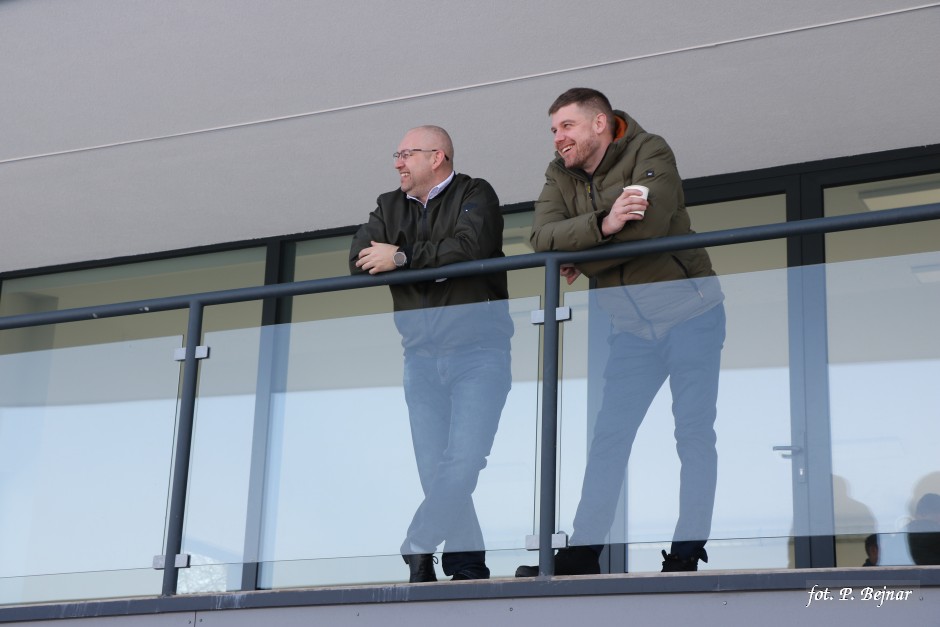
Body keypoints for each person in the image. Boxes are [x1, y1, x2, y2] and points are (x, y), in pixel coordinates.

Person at [519, 88, 725, 575]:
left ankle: (686, 551)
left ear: (599, 123)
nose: (558, 138)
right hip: (631, 329)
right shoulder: (559, 173)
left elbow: (648, 229)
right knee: (609, 438)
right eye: (553, 130)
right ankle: (583, 552)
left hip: (692, 315)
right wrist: (606, 222)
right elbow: (541, 239)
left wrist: (583, 253)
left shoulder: (650, 150)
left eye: (567, 126)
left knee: (692, 433)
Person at [349, 125, 513, 582]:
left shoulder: (475, 194)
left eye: (407, 154)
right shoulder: (389, 206)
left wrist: (401, 259)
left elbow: (470, 247)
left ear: (437, 157)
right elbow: (358, 259)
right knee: (434, 469)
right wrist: (427, 260)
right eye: (397, 154)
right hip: (419, 356)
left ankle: (419, 541)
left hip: (478, 351)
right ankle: (467, 565)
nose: (398, 163)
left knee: (464, 459)